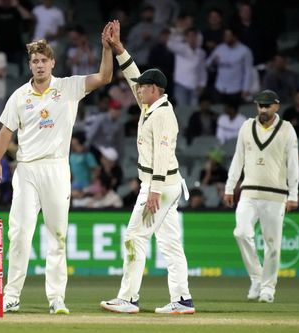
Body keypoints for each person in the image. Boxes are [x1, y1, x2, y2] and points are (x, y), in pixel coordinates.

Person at [0, 23, 113, 314]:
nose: (40, 65)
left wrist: (106, 49)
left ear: (52, 63)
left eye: (44, 60)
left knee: (57, 235)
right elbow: (6, 131)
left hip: (57, 169)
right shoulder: (20, 95)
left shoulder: (68, 87)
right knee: (19, 234)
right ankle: (11, 296)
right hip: (27, 170)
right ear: (30, 65)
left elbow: (105, 77)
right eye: (35, 61)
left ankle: (56, 298)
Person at [100, 20, 195, 315]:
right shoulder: (151, 105)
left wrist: (153, 191)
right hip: (165, 184)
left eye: (142, 89)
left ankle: (128, 298)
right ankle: (182, 299)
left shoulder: (163, 115)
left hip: (161, 185)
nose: (137, 91)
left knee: (134, 237)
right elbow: (132, 74)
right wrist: (118, 48)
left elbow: (164, 155)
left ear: (154, 90)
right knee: (170, 245)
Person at [223, 89, 299, 303]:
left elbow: (293, 164)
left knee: (272, 244)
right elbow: (238, 158)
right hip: (248, 192)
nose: (263, 110)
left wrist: (293, 193)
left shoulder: (287, 129)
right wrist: (230, 187)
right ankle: (257, 278)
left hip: (276, 195)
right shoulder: (247, 126)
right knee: (240, 232)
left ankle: (268, 288)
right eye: (260, 106)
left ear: (276, 106)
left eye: (267, 106)